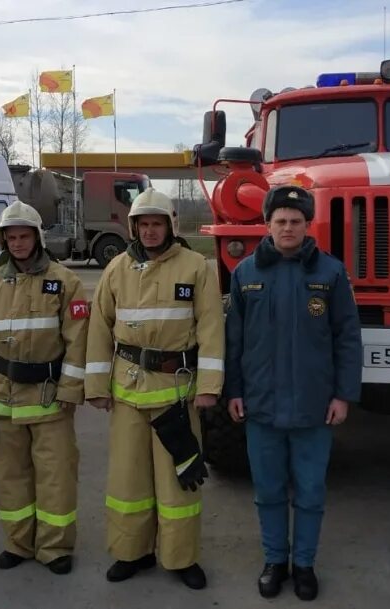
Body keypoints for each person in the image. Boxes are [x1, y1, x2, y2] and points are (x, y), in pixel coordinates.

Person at [225, 185, 362, 601]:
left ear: (307, 225)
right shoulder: (245, 274)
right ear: (267, 225)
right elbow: (234, 341)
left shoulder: (331, 273)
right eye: (280, 221)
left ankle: (304, 564)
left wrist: (343, 395)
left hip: (313, 408)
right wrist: (234, 390)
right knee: (267, 491)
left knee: (309, 492)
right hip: (262, 407)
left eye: (296, 221)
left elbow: (347, 338)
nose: (288, 228)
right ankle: (274, 562)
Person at [85, 188, 224, 590]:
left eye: (156, 223)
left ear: (170, 225)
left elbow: (212, 332)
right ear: (133, 227)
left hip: (176, 396)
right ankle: (133, 553)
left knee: (178, 482)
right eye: (143, 224)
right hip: (127, 393)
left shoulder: (196, 267)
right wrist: (96, 385)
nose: (149, 231)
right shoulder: (115, 270)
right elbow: (98, 330)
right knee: (128, 484)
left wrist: (209, 386)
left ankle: (181, 558)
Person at [0, 200, 88, 575]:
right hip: (3, 399)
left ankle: (55, 547)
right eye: (11, 237)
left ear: (37, 238)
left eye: (24, 236)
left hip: (50, 400)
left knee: (56, 477)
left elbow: (78, 341)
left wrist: (70, 390)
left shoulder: (66, 282)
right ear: (3, 240)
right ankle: (18, 543)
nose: (17, 243)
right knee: (10, 477)